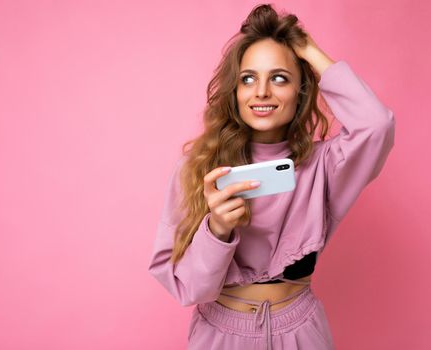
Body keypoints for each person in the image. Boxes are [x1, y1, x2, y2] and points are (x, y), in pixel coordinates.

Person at [147, 4, 395, 349]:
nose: (261, 92)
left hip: (300, 329)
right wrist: (217, 228)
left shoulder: (324, 166)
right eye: (248, 79)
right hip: (219, 333)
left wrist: (307, 49)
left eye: (279, 77)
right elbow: (188, 290)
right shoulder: (198, 169)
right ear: (235, 91)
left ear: (301, 90)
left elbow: (376, 125)